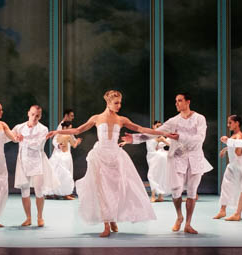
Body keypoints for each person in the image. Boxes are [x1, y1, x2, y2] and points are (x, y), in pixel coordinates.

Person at [47, 90, 178, 238]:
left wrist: (165, 133)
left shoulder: (121, 119)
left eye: (120, 103)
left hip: (116, 156)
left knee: (116, 189)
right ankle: (106, 224)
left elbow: (141, 129)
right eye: (116, 103)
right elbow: (77, 130)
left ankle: (113, 218)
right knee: (102, 190)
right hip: (100, 156)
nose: (119, 106)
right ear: (108, 102)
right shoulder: (97, 118)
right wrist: (57, 132)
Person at [122, 93, 213, 234]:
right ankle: (179, 216)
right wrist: (134, 139)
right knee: (176, 190)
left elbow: (200, 138)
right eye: (176, 101)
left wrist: (180, 137)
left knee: (192, 191)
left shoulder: (199, 118)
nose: (177, 103)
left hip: (195, 158)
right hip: (177, 158)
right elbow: (155, 133)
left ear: (188, 102)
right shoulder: (173, 121)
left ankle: (188, 224)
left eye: (180, 100)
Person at [12, 105, 56, 227]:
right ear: (28, 113)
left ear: (40, 116)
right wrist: (15, 137)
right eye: (32, 114)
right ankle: (28, 218)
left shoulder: (43, 129)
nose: (34, 117)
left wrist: (22, 139)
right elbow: (11, 136)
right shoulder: (19, 127)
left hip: (37, 161)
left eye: (37, 115)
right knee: (24, 190)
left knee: (39, 189)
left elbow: (37, 145)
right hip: (23, 161)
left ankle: (40, 217)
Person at [46, 121, 81, 200]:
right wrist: (78, 141)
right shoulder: (68, 135)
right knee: (65, 175)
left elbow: (55, 142)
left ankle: (55, 192)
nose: (71, 130)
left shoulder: (58, 135)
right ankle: (65, 193)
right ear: (65, 128)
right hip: (65, 156)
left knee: (57, 174)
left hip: (58, 156)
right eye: (70, 128)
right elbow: (74, 145)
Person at [143, 121, 170, 202]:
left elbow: (169, 144)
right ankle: (159, 196)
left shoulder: (160, 137)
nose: (159, 128)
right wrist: (126, 141)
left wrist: (162, 146)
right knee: (156, 175)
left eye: (160, 126)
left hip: (158, 157)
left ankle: (154, 196)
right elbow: (139, 139)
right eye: (157, 126)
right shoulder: (148, 135)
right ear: (153, 126)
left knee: (153, 175)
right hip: (151, 156)